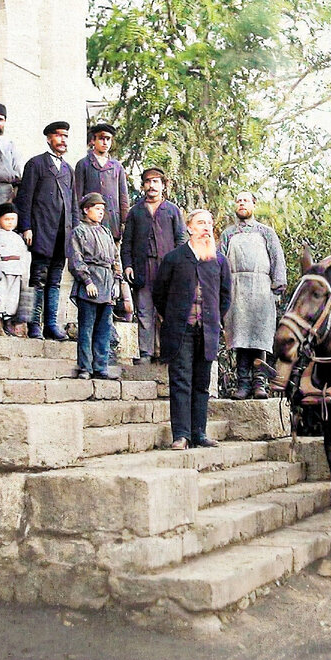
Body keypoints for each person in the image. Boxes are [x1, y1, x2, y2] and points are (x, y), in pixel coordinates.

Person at [153, 209, 232, 450]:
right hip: (180, 331)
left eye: (209, 223)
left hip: (207, 331)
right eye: (200, 223)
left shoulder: (219, 261)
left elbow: (225, 297)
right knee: (180, 382)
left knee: (201, 383)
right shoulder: (174, 258)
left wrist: (213, 319)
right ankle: (181, 435)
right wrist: (174, 317)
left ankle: (199, 433)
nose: (206, 227)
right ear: (189, 227)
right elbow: (159, 294)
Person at [220, 191, 287, 400]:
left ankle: (260, 383)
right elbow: (220, 263)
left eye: (246, 200)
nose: (242, 204)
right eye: (238, 201)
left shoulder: (266, 233)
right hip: (236, 289)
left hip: (261, 290)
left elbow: (277, 259)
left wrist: (277, 287)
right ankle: (243, 384)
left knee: (259, 338)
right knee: (240, 337)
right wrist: (221, 290)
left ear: (253, 205)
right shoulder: (228, 234)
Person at [14, 121, 76, 340]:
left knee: (55, 281)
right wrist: (26, 227)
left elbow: (73, 205)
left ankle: (51, 324)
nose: (62, 140)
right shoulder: (36, 164)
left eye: (65, 136)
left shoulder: (69, 170)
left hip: (62, 235)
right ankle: (34, 325)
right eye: (58, 136)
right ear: (49, 139)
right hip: (42, 232)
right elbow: (25, 198)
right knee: (38, 280)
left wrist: (74, 234)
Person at [121, 167, 187, 364]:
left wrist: (179, 266)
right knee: (144, 310)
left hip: (167, 269)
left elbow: (181, 240)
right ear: (143, 186)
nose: (152, 186)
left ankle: (167, 353)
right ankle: (145, 353)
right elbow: (127, 242)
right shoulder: (136, 212)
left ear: (163, 185)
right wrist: (128, 265)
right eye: (148, 182)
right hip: (143, 268)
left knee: (167, 311)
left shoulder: (172, 210)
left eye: (156, 181)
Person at [69, 193, 130, 380]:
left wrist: (117, 281)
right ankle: (85, 368)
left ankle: (101, 367)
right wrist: (87, 281)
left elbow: (116, 259)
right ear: (86, 210)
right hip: (90, 283)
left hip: (107, 282)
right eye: (97, 209)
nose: (101, 212)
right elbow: (76, 259)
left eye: (102, 209)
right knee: (86, 329)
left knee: (104, 329)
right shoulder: (79, 232)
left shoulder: (106, 232)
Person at [74, 123, 131, 242]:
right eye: (101, 138)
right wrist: (77, 220)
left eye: (108, 139)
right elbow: (77, 196)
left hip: (112, 224)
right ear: (93, 140)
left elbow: (123, 197)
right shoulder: (83, 164)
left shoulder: (117, 166)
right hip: (89, 225)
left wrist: (125, 222)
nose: (105, 143)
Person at [0, 202, 30, 337]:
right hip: (3, 269)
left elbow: (24, 255)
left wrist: (24, 271)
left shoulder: (18, 238)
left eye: (13, 219)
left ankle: (8, 322)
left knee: (13, 298)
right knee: (1, 295)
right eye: (6, 219)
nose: (10, 222)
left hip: (16, 270)